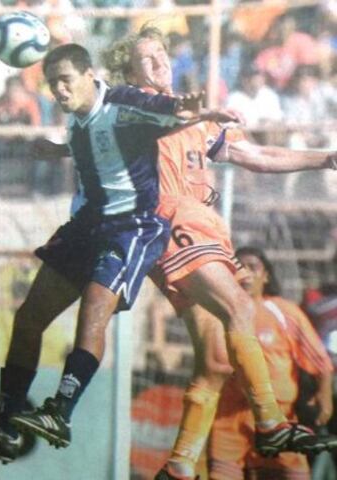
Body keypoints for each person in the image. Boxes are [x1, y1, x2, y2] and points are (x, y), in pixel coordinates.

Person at [94, 26, 337, 480]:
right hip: (172, 221)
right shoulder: (132, 105)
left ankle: (180, 466)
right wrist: (197, 112)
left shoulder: (193, 116)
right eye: (145, 58)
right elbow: (155, 113)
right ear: (128, 72)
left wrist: (324, 158)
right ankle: (271, 423)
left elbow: (256, 156)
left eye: (161, 54)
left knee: (217, 360)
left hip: (195, 226)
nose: (159, 63)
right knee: (242, 306)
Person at [0, 42, 224, 465]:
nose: (57, 90)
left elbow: (166, 113)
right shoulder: (76, 115)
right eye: (52, 83)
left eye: (65, 80)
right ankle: (8, 418)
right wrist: (56, 150)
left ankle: (61, 412)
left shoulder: (123, 102)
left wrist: (188, 107)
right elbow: (95, 145)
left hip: (131, 228)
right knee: (29, 318)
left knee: (92, 313)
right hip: (87, 227)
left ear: (90, 75)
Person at [207, 246, 334, 480]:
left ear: (265, 276)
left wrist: (324, 397)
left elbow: (319, 360)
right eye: (237, 267)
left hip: (278, 418)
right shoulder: (217, 314)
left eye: (252, 267)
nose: (244, 273)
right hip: (229, 418)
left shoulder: (284, 312)